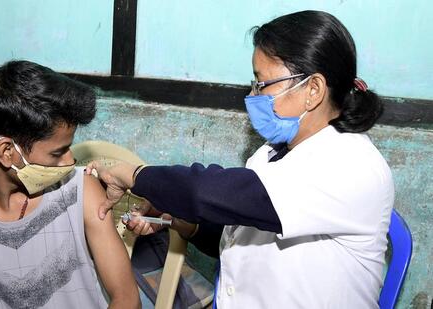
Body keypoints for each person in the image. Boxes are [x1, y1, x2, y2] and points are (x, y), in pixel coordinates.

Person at [86, 10, 394, 309]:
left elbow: (206, 191)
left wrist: (134, 174)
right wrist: (183, 223)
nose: (253, 95)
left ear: (312, 89)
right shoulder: (272, 153)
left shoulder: (351, 166)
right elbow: (243, 242)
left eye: (262, 84)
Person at [0, 61, 141, 309]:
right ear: (7, 151)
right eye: (57, 153)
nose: (70, 161)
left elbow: (127, 298)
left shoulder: (82, 191)